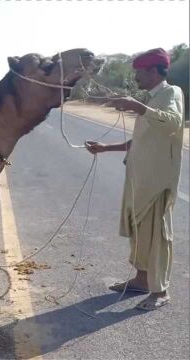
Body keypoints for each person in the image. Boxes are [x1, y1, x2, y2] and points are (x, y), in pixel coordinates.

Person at [85, 48, 184, 311]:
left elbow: (174, 122)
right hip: (139, 179)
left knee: (158, 235)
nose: (136, 77)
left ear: (153, 71)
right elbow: (141, 141)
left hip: (157, 182)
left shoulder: (170, 93)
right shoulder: (152, 99)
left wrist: (139, 107)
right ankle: (141, 280)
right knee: (139, 232)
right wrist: (106, 148)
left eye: (139, 72)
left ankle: (160, 290)